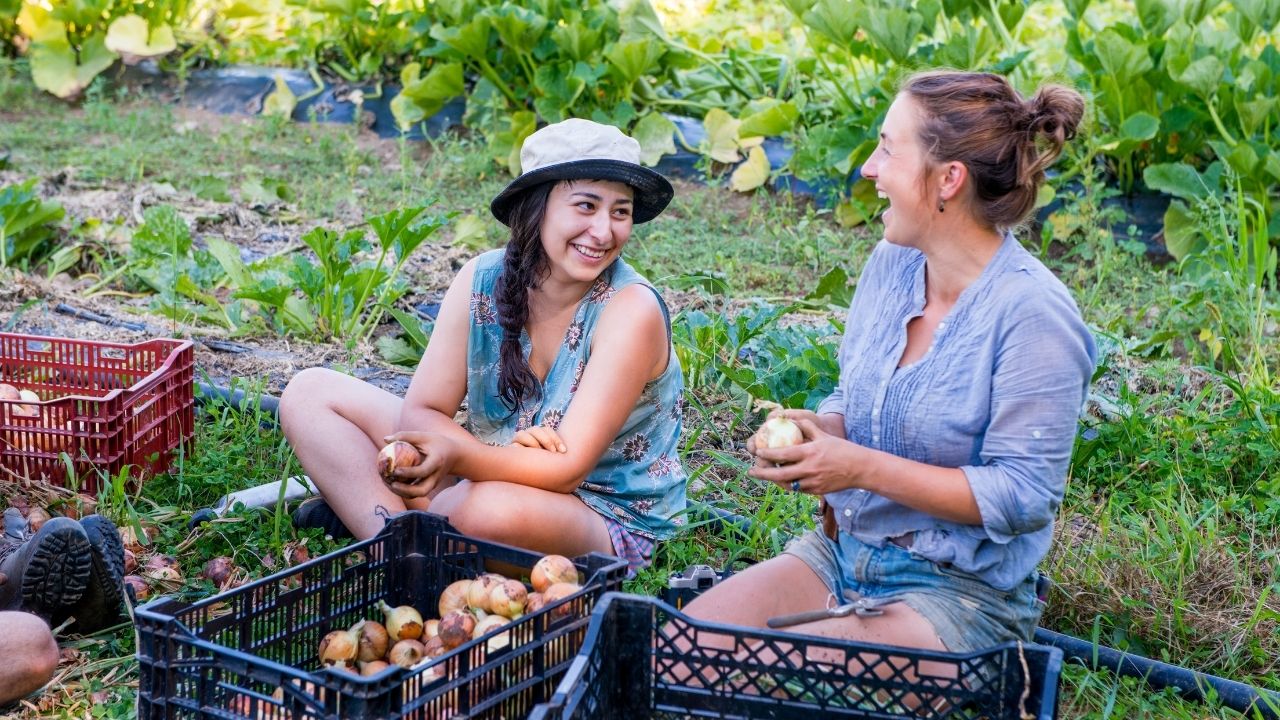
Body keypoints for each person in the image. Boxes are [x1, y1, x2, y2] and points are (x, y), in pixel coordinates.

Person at [683, 70, 1095, 656]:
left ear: (948, 179)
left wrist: (858, 469)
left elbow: (1022, 495)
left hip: (960, 593)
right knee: (678, 649)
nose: (869, 169)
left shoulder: (1033, 315)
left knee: (764, 671)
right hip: (845, 552)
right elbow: (857, 397)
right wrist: (821, 433)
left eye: (886, 148)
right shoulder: (894, 261)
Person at [281, 118, 686, 574]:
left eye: (620, 212)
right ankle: (410, 540)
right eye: (586, 205)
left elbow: (568, 470)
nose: (603, 231)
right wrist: (499, 455)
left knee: (481, 511)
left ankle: (393, 534)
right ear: (537, 208)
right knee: (309, 393)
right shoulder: (482, 279)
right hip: (492, 467)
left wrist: (460, 457)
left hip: (600, 513)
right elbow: (423, 412)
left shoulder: (631, 310)